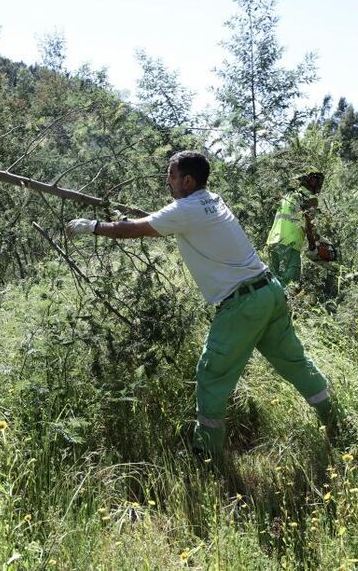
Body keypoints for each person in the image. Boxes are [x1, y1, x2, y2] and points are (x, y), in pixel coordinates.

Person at [65, 151, 335, 460]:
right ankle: (335, 418)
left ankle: (206, 454)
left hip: (243, 303)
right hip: (269, 291)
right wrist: (158, 219)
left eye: (171, 175)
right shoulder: (213, 200)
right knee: (294, 362)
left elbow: (134, 230)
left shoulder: (186, 209)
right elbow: (178, 222)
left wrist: (92, 226)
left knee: (211, 374)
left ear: (188, 181)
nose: (167, 181)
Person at [264, 172, 325, 287]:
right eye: (315, 180)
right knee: (290, 286)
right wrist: (312, 245)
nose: (317, 184)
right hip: (290, 244)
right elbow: (310, 225)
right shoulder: (310, 198)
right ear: (309, 180)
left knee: (273, 284)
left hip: (272, 242)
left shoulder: (287, 195)